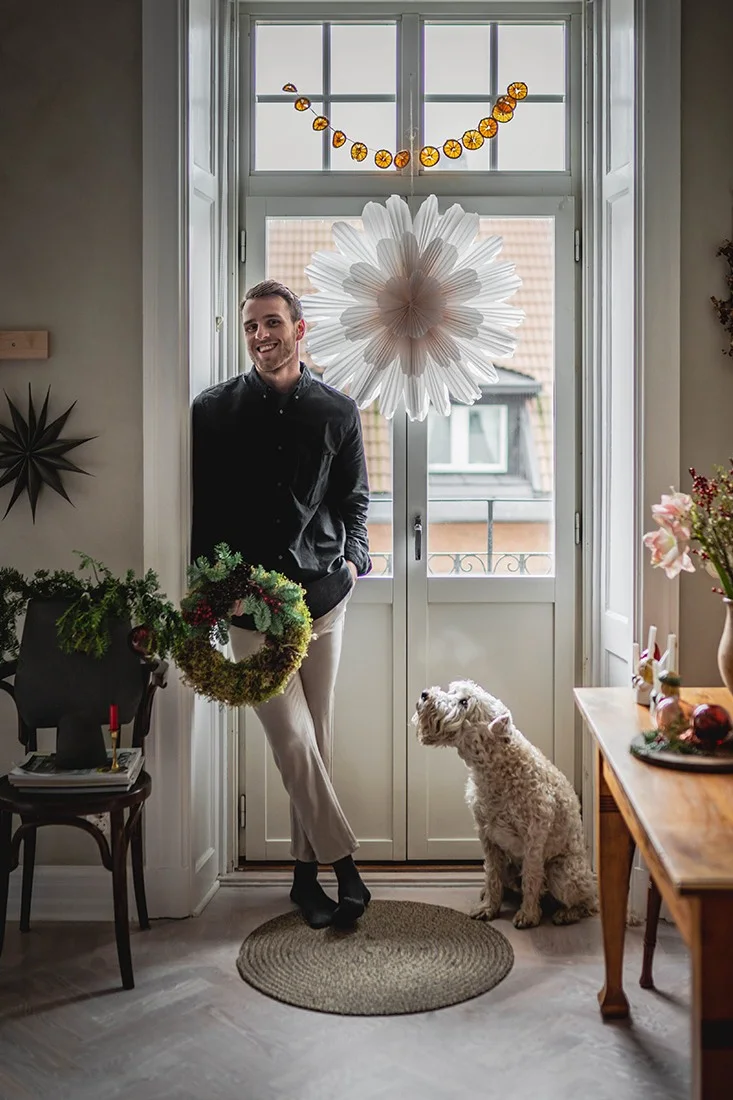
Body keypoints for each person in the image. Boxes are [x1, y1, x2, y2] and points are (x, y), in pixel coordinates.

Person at [191, 279, 372, 928]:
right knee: (291, 737)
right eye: (250, 327)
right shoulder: (210, 412)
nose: (261, 336)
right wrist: (209, 591)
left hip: (322, 598)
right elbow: (201, 514)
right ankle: (345, 868)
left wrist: (353, 563)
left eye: (272, 322)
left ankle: (304, 879)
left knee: (314, 736)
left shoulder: (336, 412)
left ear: (300, 329)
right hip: (247, 608)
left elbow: (354, 502)